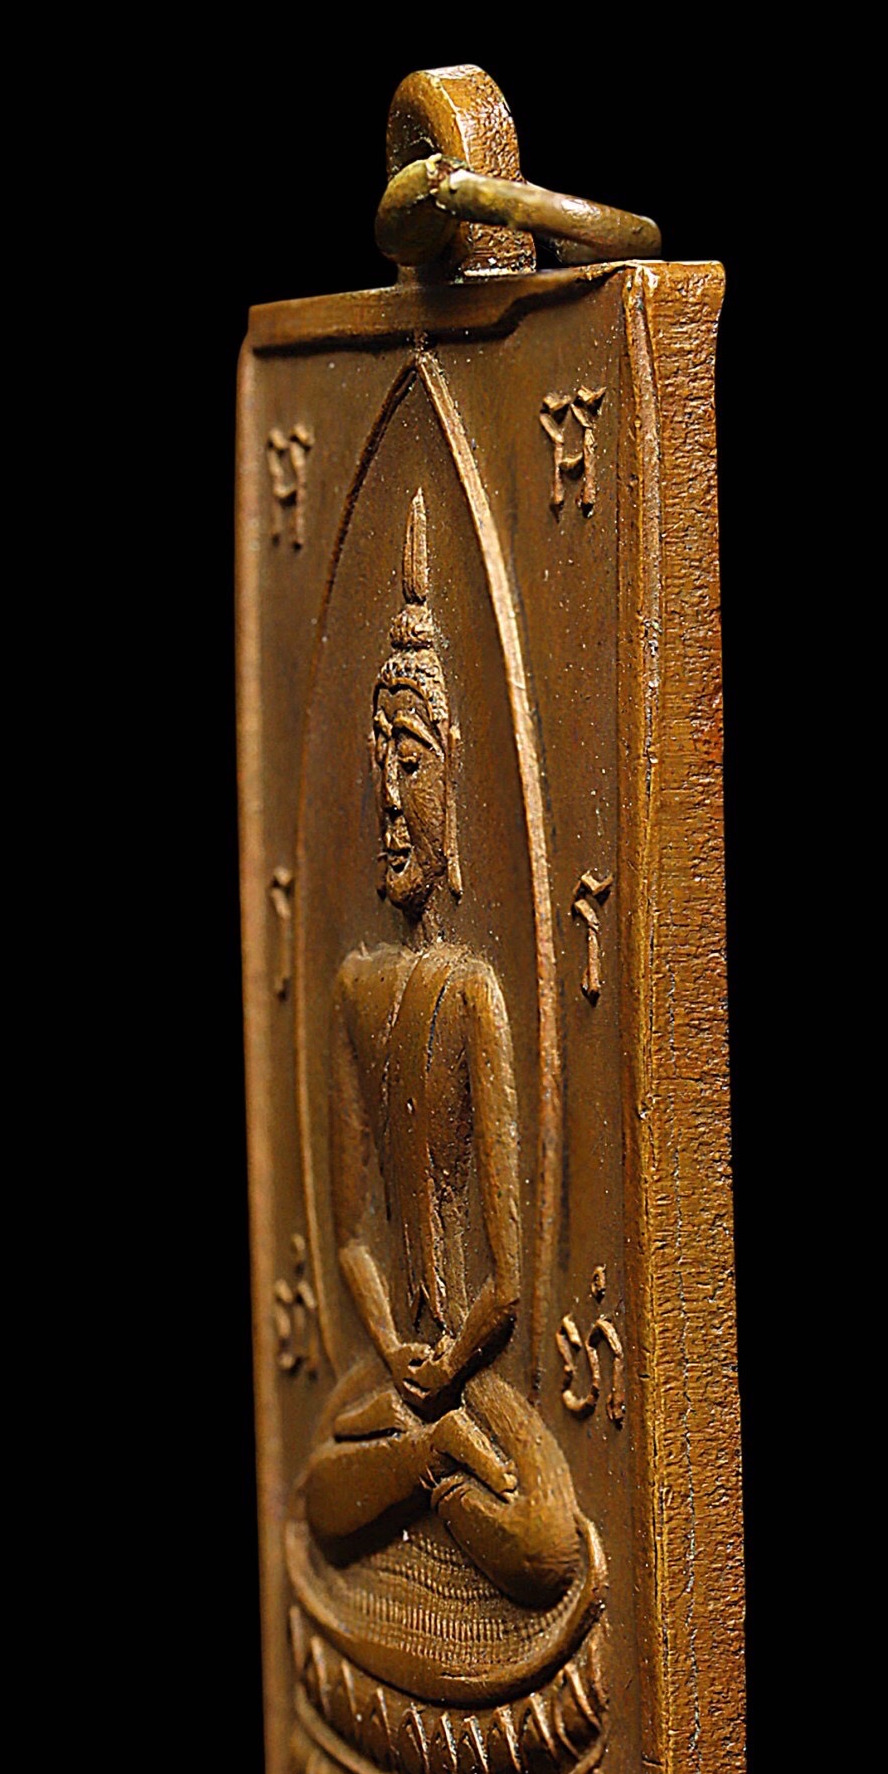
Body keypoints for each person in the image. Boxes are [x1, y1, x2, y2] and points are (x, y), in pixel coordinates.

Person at [300, 491, 580, 1612]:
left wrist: (450, 1364)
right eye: (378, 765)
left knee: (548, 1543)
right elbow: (349, 1237)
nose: (387, 800)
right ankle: (430, 1462)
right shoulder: (355, 990)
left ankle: (437, 1465)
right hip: (405, 1388)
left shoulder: (471, 994)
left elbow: (507, 1281)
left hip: (468, 1368)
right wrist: (396, 1359)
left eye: (410, 765)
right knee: (320, 1492)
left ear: (453, 782)